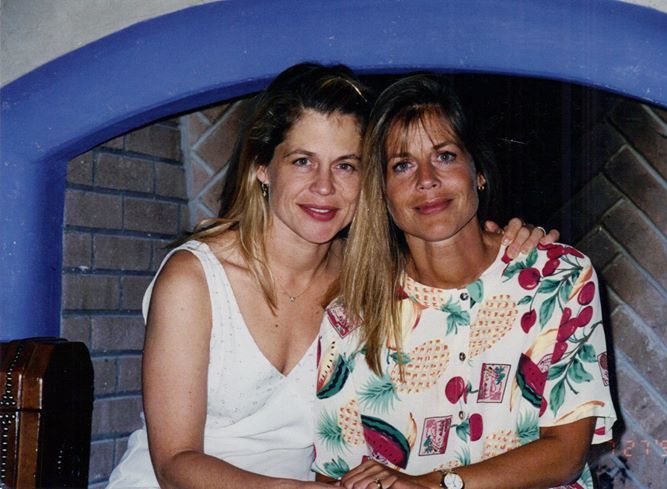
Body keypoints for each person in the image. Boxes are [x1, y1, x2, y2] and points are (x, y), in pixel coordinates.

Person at [106, 64, 554, 489]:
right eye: (303, 161)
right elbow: (174, 464)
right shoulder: (193, 280)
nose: (324, 186)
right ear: (262, 166)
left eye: (346, 165)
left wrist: (514, 242)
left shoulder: (370, 278)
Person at [312, 75, 616, 489]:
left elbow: (565, 454)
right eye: (402, 165)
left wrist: (435, 485)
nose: (426, 179)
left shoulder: (558, 278)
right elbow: (335, 476)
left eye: (445, 156)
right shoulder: (351, 319)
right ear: (381, 193)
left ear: (479, 173)